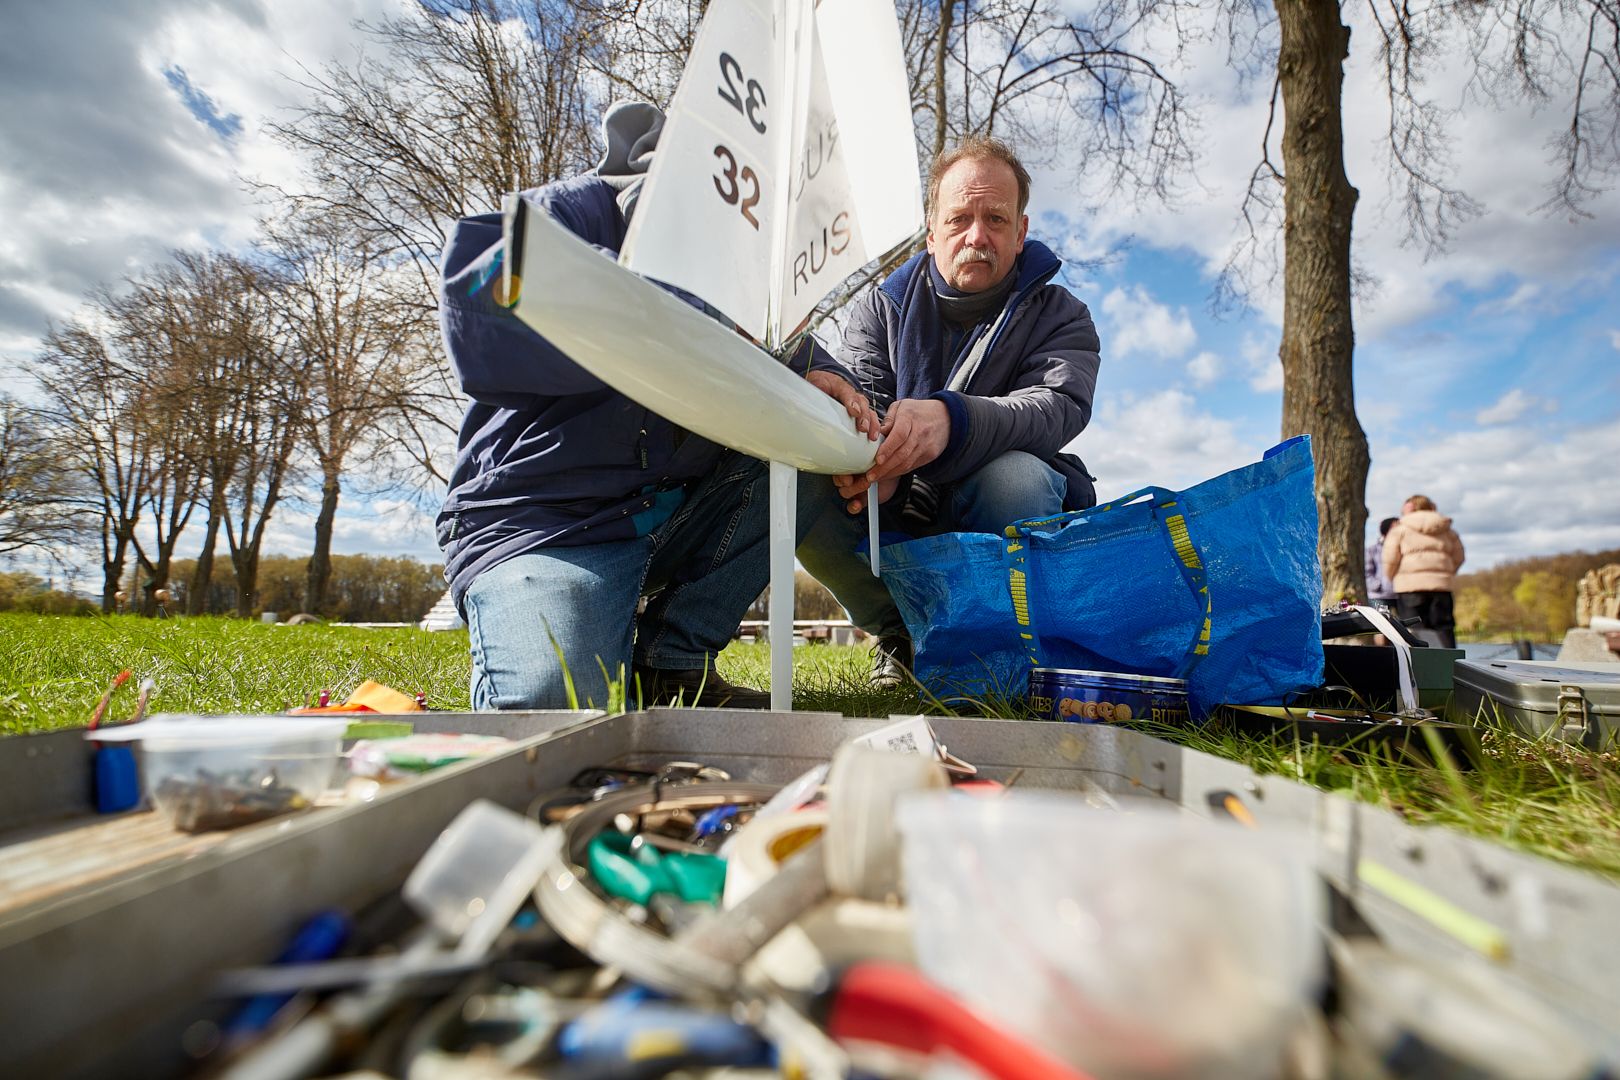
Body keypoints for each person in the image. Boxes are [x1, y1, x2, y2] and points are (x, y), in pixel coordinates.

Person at [436, 102, 875, 711]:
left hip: (668, 520)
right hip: (548, 526)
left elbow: (802, 355)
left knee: (816, 440)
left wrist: (828, 380)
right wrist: (691, 311)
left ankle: (673, 662)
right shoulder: (579, 211)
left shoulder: (760, 286)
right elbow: (475, 302)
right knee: (557, 705)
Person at [797, 136, 1102, 687]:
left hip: (994, 503)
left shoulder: (1063, 314)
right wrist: (875, 464)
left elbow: (1057, 405)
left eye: (996, 219)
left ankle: (1004, 646)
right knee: (808, 480)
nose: (977, 236)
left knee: (1017, 479)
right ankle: (902, 634)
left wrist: (953, 421)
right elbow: (860, 403)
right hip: (897, 513)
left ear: (1021, 232)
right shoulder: (879, 307)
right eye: (959, 218)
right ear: (932, 230)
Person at [1382, 495, 1466, 649]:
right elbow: (1459, 557)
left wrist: (1393, 577)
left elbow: (1390, 560)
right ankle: (1448, 662)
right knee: (1444, 628)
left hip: (1409, 587)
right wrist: (1444, 574)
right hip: (1441, 588)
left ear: (1411, 508)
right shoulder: (1448, 530)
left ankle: (1417, 663)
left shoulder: (1399, 530)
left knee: (1413, 629)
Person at [1365, 516, 1399, 611]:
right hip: (1378, 596)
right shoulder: (1372, 550)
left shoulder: (1404, 549)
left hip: (1400, 594)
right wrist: (1378, 585)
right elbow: (1367, 572)